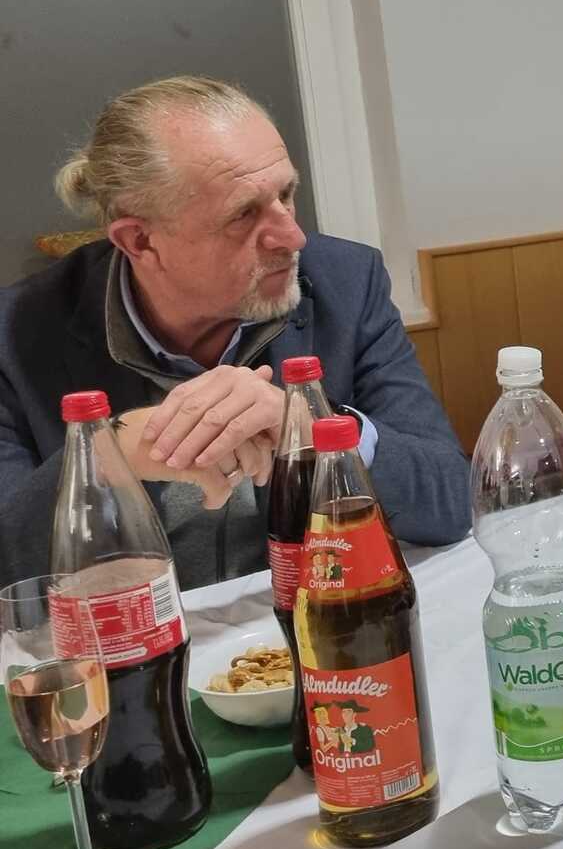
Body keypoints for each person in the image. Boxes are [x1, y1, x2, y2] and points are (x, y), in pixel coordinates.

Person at [0, 76, 470, 588]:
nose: (292, 236)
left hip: (309, 618)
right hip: (133, 632)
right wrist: (110, 458)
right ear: (139, 241)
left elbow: (450, 500)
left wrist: (316, 428)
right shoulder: (17, 336)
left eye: (287, 194)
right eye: (244, 215)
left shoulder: (345, 284)